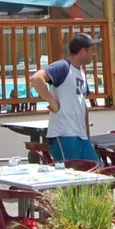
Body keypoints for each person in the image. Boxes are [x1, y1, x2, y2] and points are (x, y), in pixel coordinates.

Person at [29, 34, 99, 163]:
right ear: (83, 51)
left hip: (81, 136)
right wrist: (52, 101)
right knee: (71, 176)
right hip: (64, 134)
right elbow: (36, 79)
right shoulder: (63, 67)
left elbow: (82, 104)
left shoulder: (82, 73)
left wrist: (87, 136)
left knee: (97, 171)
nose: (93, 54)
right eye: (91, 50)